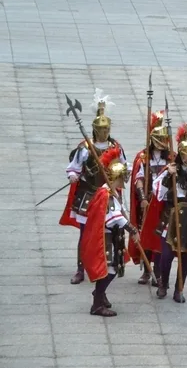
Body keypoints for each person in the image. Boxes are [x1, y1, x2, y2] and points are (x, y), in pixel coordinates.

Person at [140, 126, 187, 302]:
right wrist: (167, 176)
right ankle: (163, 284)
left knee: (184, 257)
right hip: (170, 216)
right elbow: (159, 193)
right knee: (166, 255)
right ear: (182, 154)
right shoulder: (170, 170)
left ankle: (179, 289)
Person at [61, 93, 125, 284]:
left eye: (106, 129)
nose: (104, 132)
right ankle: (81, 269)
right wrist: (72, 175)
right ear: (95, 129)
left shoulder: (116, 147)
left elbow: (124, 166)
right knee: (85, 234)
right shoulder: (85, 147)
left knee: (110, 233)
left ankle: (107, 266)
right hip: (88, 194)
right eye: (100, 129)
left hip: (107, 196)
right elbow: (74, 166)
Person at [79, 147, 140, 317]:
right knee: (110, 269)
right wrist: (132, 229)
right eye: (122, 178)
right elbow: (114, 218)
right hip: (106, 238)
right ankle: (97, 303)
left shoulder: (111, 192)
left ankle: (100, 294)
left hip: (111, 236)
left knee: (112, 268)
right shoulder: (107, 195)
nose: (124, 181)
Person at [129, 115, 170, 284]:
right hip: (147, 201)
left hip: (164, 203)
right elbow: (138, 178)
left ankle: (159, 272)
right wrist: (143, 198)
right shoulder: (143, 157)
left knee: (161, 235)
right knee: (145, 234)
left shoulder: (171, 157)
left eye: (164, 138)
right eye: (159, 139)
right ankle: (147, 270)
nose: (162, 142)